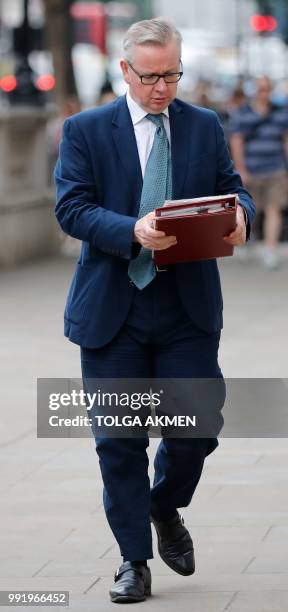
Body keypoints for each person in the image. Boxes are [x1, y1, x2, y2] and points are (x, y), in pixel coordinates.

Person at [54, 18, 255, 604]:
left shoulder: (203, 126)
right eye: (150, 77)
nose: (162, 87)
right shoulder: (85, 130)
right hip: (112, 309)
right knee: (118, 440)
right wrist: (132, 230)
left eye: (172, 74)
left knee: (197, 426)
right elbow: (71, 208)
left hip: (185, 307)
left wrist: (239, 212)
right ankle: (133, 562)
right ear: (125, 72)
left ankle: (163, 505)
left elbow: (231, 187)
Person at [229, 76, 288, 269]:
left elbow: (285, 140)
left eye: (267, 89)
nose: (264, 93)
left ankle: (270, 249)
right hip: (251, 169)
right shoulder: (243, 113)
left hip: (276, 169)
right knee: (252, 210)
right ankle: (246, 241)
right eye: (261, 89)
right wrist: (241, 169)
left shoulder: (280, 113)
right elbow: (237, 141)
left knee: (274, 209)